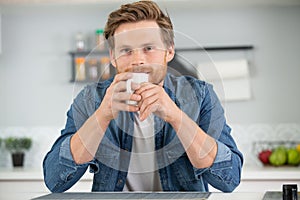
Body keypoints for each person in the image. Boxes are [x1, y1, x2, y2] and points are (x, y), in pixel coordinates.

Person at [43, 0, 243, 193]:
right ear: (113, 57)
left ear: (169, 51)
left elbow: (230, 178)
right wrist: (102, 116)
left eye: (149, 48)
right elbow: (55, 180)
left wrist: (175, 116)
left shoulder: (200, 95)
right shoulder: (91, 99)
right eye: (126, 51)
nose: (138, 60)